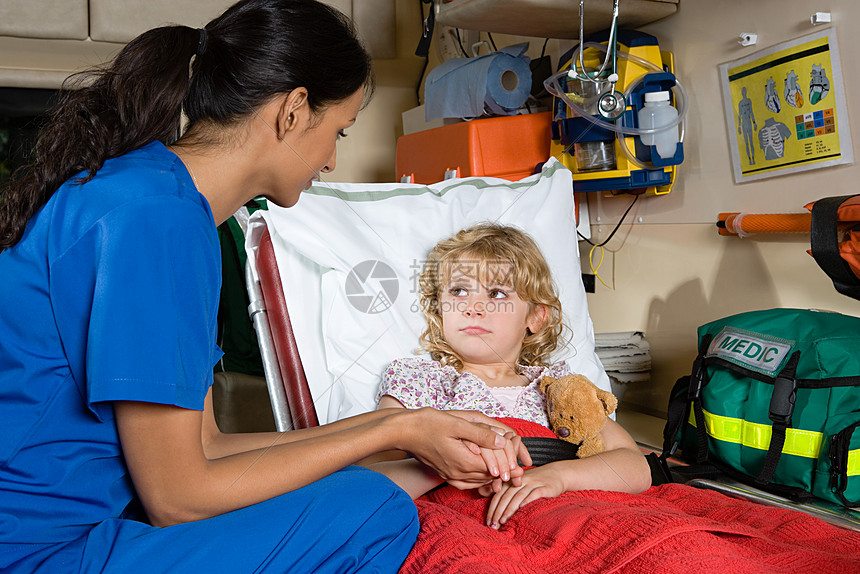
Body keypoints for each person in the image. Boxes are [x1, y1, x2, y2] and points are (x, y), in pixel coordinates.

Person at [0, 1, 530, 572]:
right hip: (39, 552)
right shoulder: (159, 220)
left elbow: (207, 449)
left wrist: (404, 436)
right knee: (374, 511)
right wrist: (399, 431)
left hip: (53, 533)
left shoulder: (149, 194)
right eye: (339, 131)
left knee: (367, 490)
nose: (330, 159)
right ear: (294, 110)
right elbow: (177, 496)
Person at [376, 224, 652, 529]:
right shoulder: (418, 384)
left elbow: (635, 466)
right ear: (440, 309)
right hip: (469, 526)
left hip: (570, 516)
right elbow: (367, 480)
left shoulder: (558, 389)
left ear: (535, 317)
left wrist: (558, 477)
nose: (473, 307)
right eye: (459, 291)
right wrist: (441, 465)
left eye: (496, 293)